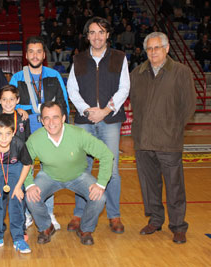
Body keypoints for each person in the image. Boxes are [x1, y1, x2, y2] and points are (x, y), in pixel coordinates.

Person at [130, 32, 196, 244]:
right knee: (149, 186)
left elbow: (189, 106)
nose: (152, 52)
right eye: (149, 48)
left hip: (169, 141)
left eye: (157, 48)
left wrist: (174, 129)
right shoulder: (137, 73)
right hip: (143, 140)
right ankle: (156, 220)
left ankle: (178, 226)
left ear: (167, 49)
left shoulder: (181, 72)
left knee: (174, 186)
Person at [66, 16, 130, 234]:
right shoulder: (78, 59)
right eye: (92, 32)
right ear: (87, 36)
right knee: (82, 169)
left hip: (110, 120)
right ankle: (79, 212)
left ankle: (114, 215)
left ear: (108, 35)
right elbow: (72, 90)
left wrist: (105, 111)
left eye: (101, 32)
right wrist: (87, 111)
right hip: (85, 121)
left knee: (111, 169)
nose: (97, 36)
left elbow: (124, 88)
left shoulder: (120, 58)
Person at [25, 101, 113, 245]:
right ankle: (46, 227)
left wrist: (101, 183)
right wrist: (29, 185)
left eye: (55, 117)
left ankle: (85, 229)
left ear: (63, 118)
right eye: (46, 118)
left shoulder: (78, 134)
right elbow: (26, 163)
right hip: (49, 176)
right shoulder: (35, 139)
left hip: (78, 176)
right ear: (41, 120)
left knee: (100, 197)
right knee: (31, 197)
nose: (51, 122)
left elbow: (106, 155)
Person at [9, 35, 70, 230]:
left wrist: (62, 130)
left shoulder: (54, 75)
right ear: (26, 55)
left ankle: (48, 213)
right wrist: (16, 109)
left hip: (50, 132)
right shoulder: (18, 77)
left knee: (49, 174)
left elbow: (63, 103)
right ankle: (28, 213)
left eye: (39, 52)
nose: (35, 55)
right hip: (25, 134)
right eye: (31, 52)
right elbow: (8, 102)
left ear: (44, 55)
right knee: (26, 174)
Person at [0, 114, 32, 253]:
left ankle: (18, 238)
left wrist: (18, 186)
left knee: (16, 200)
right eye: (0, 134)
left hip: (15, 167)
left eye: (8, 134)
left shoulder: (19, 144)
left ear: (14, 133)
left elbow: (27, 164)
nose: (4, 138)